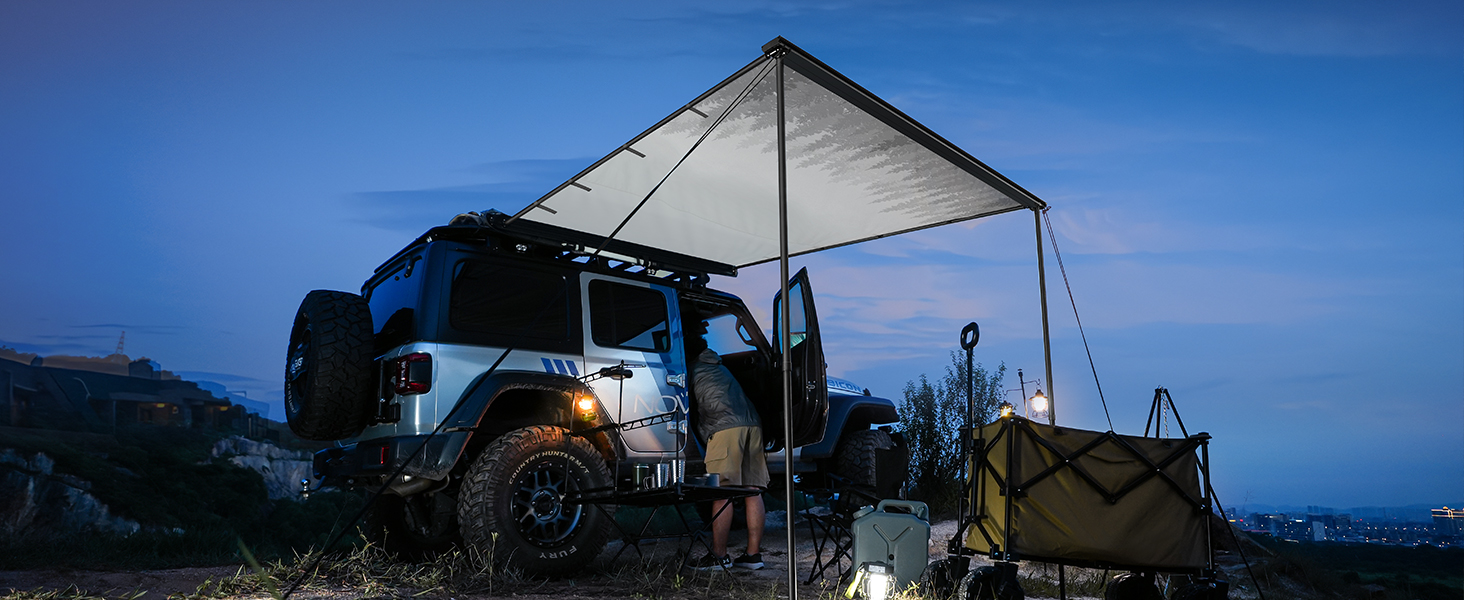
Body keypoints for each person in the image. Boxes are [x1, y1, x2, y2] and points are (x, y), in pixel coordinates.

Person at [684, 311, 767, 571]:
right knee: (752, 490)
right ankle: (753, 556)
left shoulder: (691, 369)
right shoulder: (717, 365)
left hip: (725, 428)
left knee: (722, 491)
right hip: (752, 424)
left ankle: (719, 556)